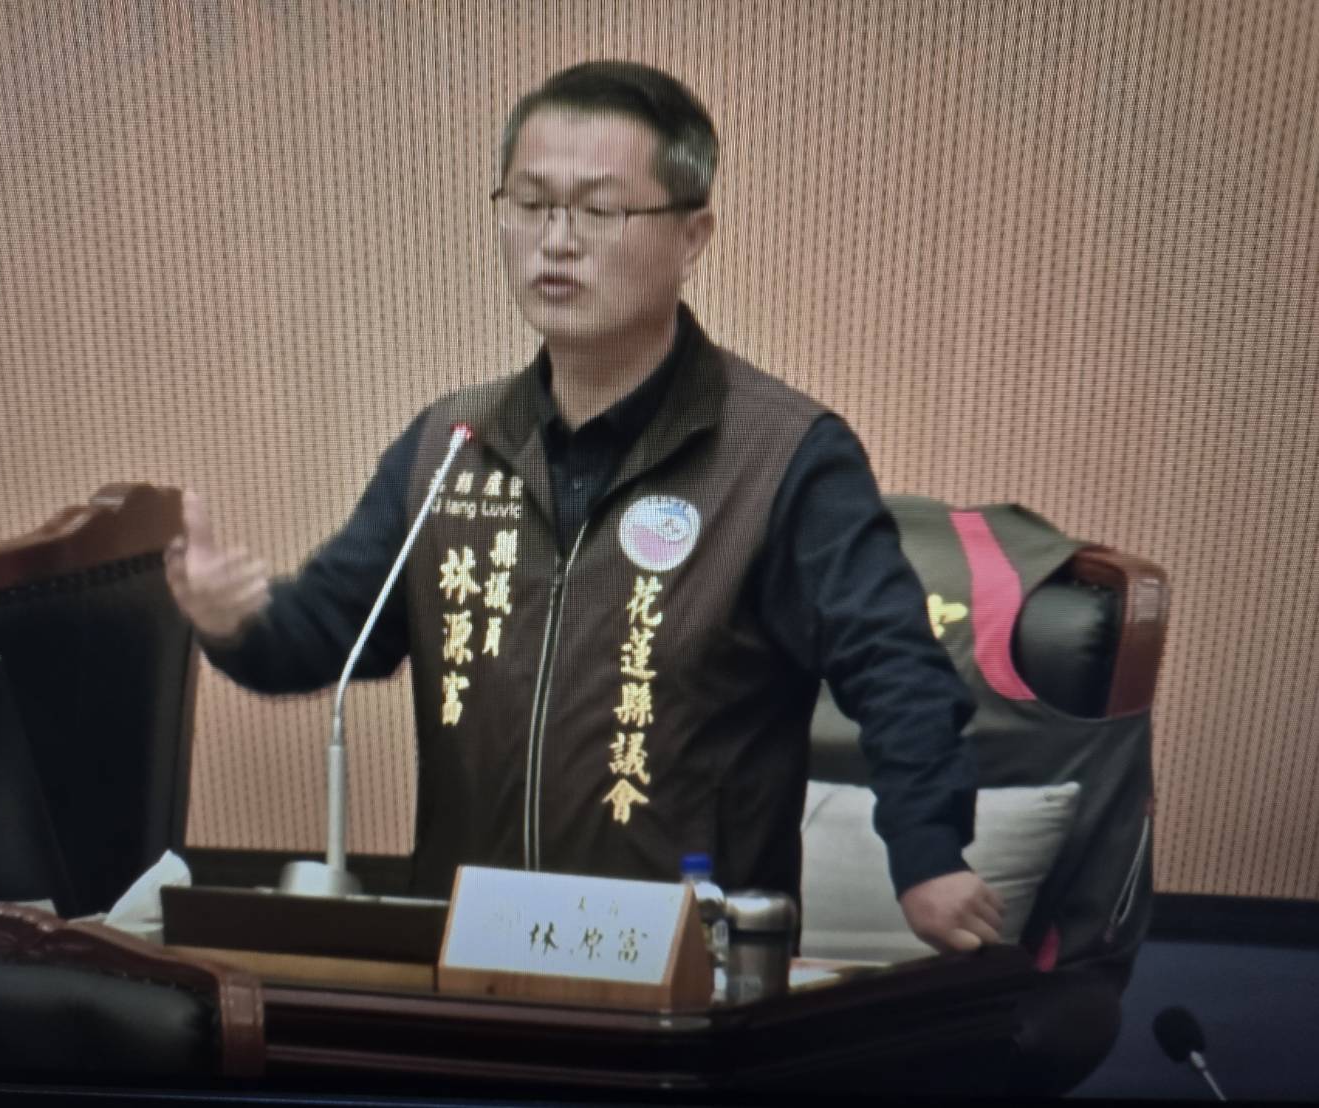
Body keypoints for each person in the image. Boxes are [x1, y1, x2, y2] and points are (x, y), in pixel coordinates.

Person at [167, 60, 1004, 953]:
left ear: (691, 236)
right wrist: (236, 621)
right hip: (473, 956)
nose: (555, 241)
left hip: (688, 967)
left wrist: (927, 854)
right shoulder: (450, 446)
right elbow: (331, 636)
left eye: (599, 210)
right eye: (529, 203)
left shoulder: (783, 453)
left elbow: (896, 667)